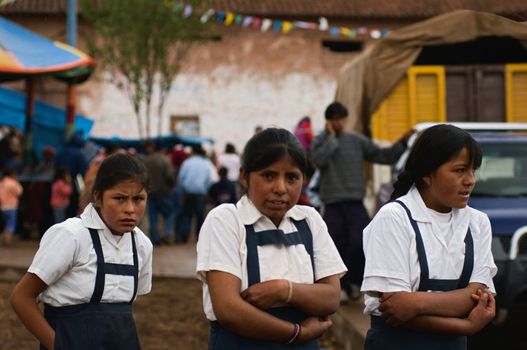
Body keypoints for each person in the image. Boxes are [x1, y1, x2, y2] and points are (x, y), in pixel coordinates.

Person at [197, 127, 347, 349]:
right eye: (268, 175)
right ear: (243, 176)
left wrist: (283, 290)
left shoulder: (309, 219)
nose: (280, 188)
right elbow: (228, 309)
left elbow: (331, 297)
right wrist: (297, 333)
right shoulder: (226, 220)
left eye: (292, 177)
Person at [361, 124, 497, 349]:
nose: (470, 180)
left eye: (473, 170)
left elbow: (477, 297)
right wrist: (466, 326)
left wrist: (415, 302)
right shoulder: (394, 218)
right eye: (460, 170)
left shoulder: (477, 223)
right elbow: (394, 309)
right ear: (427, 174)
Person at [9, 153, 153, 350]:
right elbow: (21, 297)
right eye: (119, 198)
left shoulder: (142, 245)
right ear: (97, 197)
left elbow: (121, 312)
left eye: (139, 199)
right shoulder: (71, 235)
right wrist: (59, 345)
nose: (130, 208)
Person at [310, 101, 413, 300]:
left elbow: (384, 156)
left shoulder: (356, 141)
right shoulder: (320, 142)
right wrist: (331, 138)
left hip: (355, 202)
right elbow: (318, 160)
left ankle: (354, 283)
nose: (339, 123)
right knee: (334, 247)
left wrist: (402, 142)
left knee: (361, 242)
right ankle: (341, 288)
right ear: (329, 121)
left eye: (341, 120)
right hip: (332, 203)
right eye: (335, 120)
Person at [176, 143, 213, 243]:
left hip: (188, 193)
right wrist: (205, 190)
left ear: (193, 152)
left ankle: (185, 236)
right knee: (199, 216)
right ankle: (199, 237)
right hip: (201, 194)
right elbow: (209, 180)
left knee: (186, 215)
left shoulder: (187, 162)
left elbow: (180, 178)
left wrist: (184, 187)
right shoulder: (206, 163)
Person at [143, 140, 175, 245]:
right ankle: (167, 233)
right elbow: (170, 176)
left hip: (150, 192)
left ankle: (155, 239)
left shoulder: (146, 160)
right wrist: (171, 187)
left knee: (153, 216)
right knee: (170, 213)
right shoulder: (165, 160)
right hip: (163, 192)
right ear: (163, 149)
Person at [0, 166, 23, 246]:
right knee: (10, 225)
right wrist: (17, 182)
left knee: (6, 224)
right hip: (11, 207)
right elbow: (19, 192)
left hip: (2, 207)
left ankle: (4, 239)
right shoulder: (13, 183)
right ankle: (7, 241)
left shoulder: (1, 182)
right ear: (11, 174)